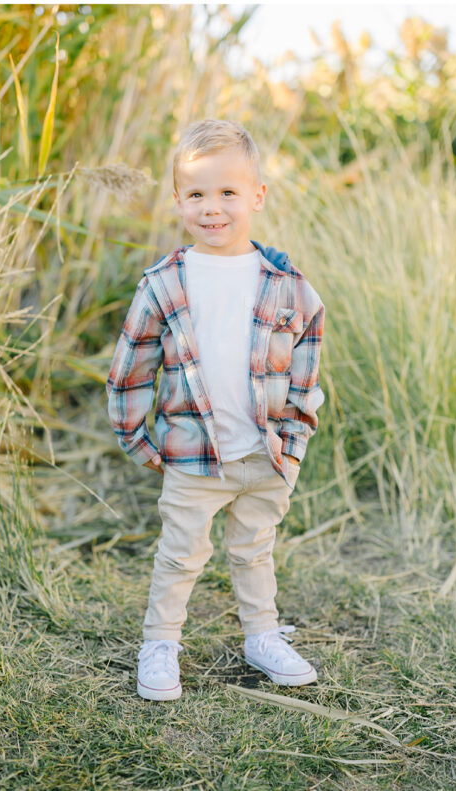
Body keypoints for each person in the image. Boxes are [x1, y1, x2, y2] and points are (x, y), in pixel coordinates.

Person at [106, 119, 325, 702]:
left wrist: (294, 445)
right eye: (197, 194)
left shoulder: (289, 286)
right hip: (192, 454)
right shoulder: (164, 283)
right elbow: (131, 368)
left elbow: (305, 378)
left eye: (228, 192)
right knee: (180, 553)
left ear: (257, 194)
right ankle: (160, 642)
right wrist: (137, 437)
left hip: (265, 455)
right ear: (177, 200)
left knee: (255, 548)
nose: (213, 208)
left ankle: (261, 634)